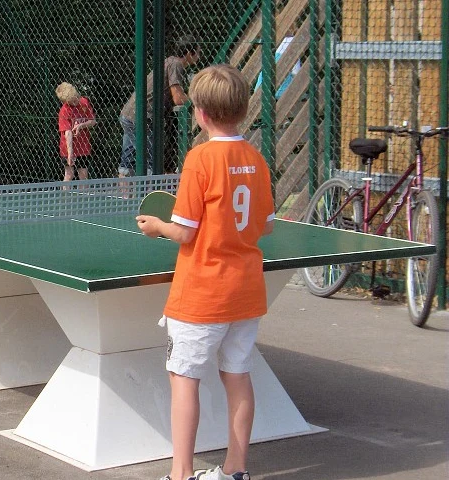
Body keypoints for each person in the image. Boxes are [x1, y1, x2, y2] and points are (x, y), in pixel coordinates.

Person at [136, 64, 275, 480]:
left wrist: (157, 226)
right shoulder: (255, 158)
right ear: (243, 110)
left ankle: (180, 474)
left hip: (201, 294)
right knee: (238, 377)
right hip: (245, 293)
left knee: (184, 381)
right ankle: (236, 471)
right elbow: (266, 224)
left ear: (200, 113)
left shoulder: (199, 159)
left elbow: (184, 231)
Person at [119, 35, 200, 177]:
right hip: (142, 118)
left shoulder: (168, 61)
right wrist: (196, 100)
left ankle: (124, 197)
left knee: (128, 162)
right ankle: (149, 193)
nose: (199, 55)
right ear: (188, 53)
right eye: (198, 52)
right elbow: (178, 97)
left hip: (129, 114)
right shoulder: (176, 65)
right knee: (151, 160)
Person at [55, 82, 96, 181]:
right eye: (71, 101)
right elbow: (68, 132)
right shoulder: (64, 111)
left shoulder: (84, 102)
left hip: (83, 146)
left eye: (75, 98)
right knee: (69, 174)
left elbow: (93, 121)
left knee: (83, 174)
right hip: (68, 147)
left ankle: (84, 196)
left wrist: (81, 125)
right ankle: (64, 196)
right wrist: (70, 153)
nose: (75, 102)